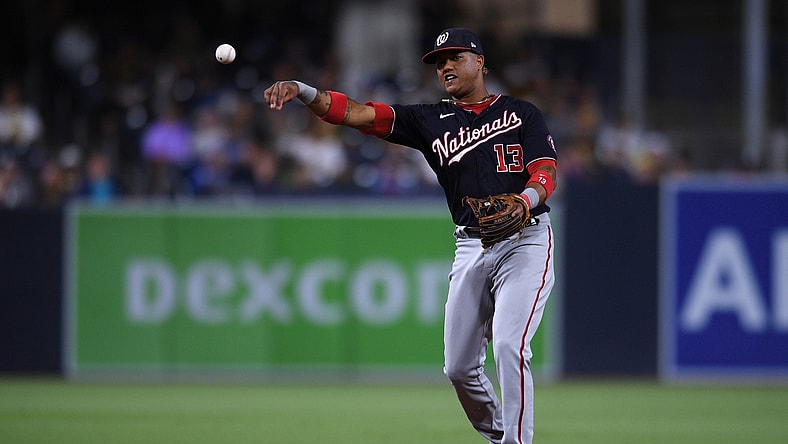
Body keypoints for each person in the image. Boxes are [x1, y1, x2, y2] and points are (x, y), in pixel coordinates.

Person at [264, 28, 557, 444]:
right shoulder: (429, 120)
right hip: (471, 243)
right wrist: (304, 90)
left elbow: (546, 171)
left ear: (481, 63)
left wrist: (526, 200)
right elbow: (358, 114)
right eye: (440, 62)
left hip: (525, 240)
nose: (446, 67)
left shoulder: (522, 112)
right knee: (458, 368)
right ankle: (499, 435)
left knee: (510, 346)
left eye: (455, 57)